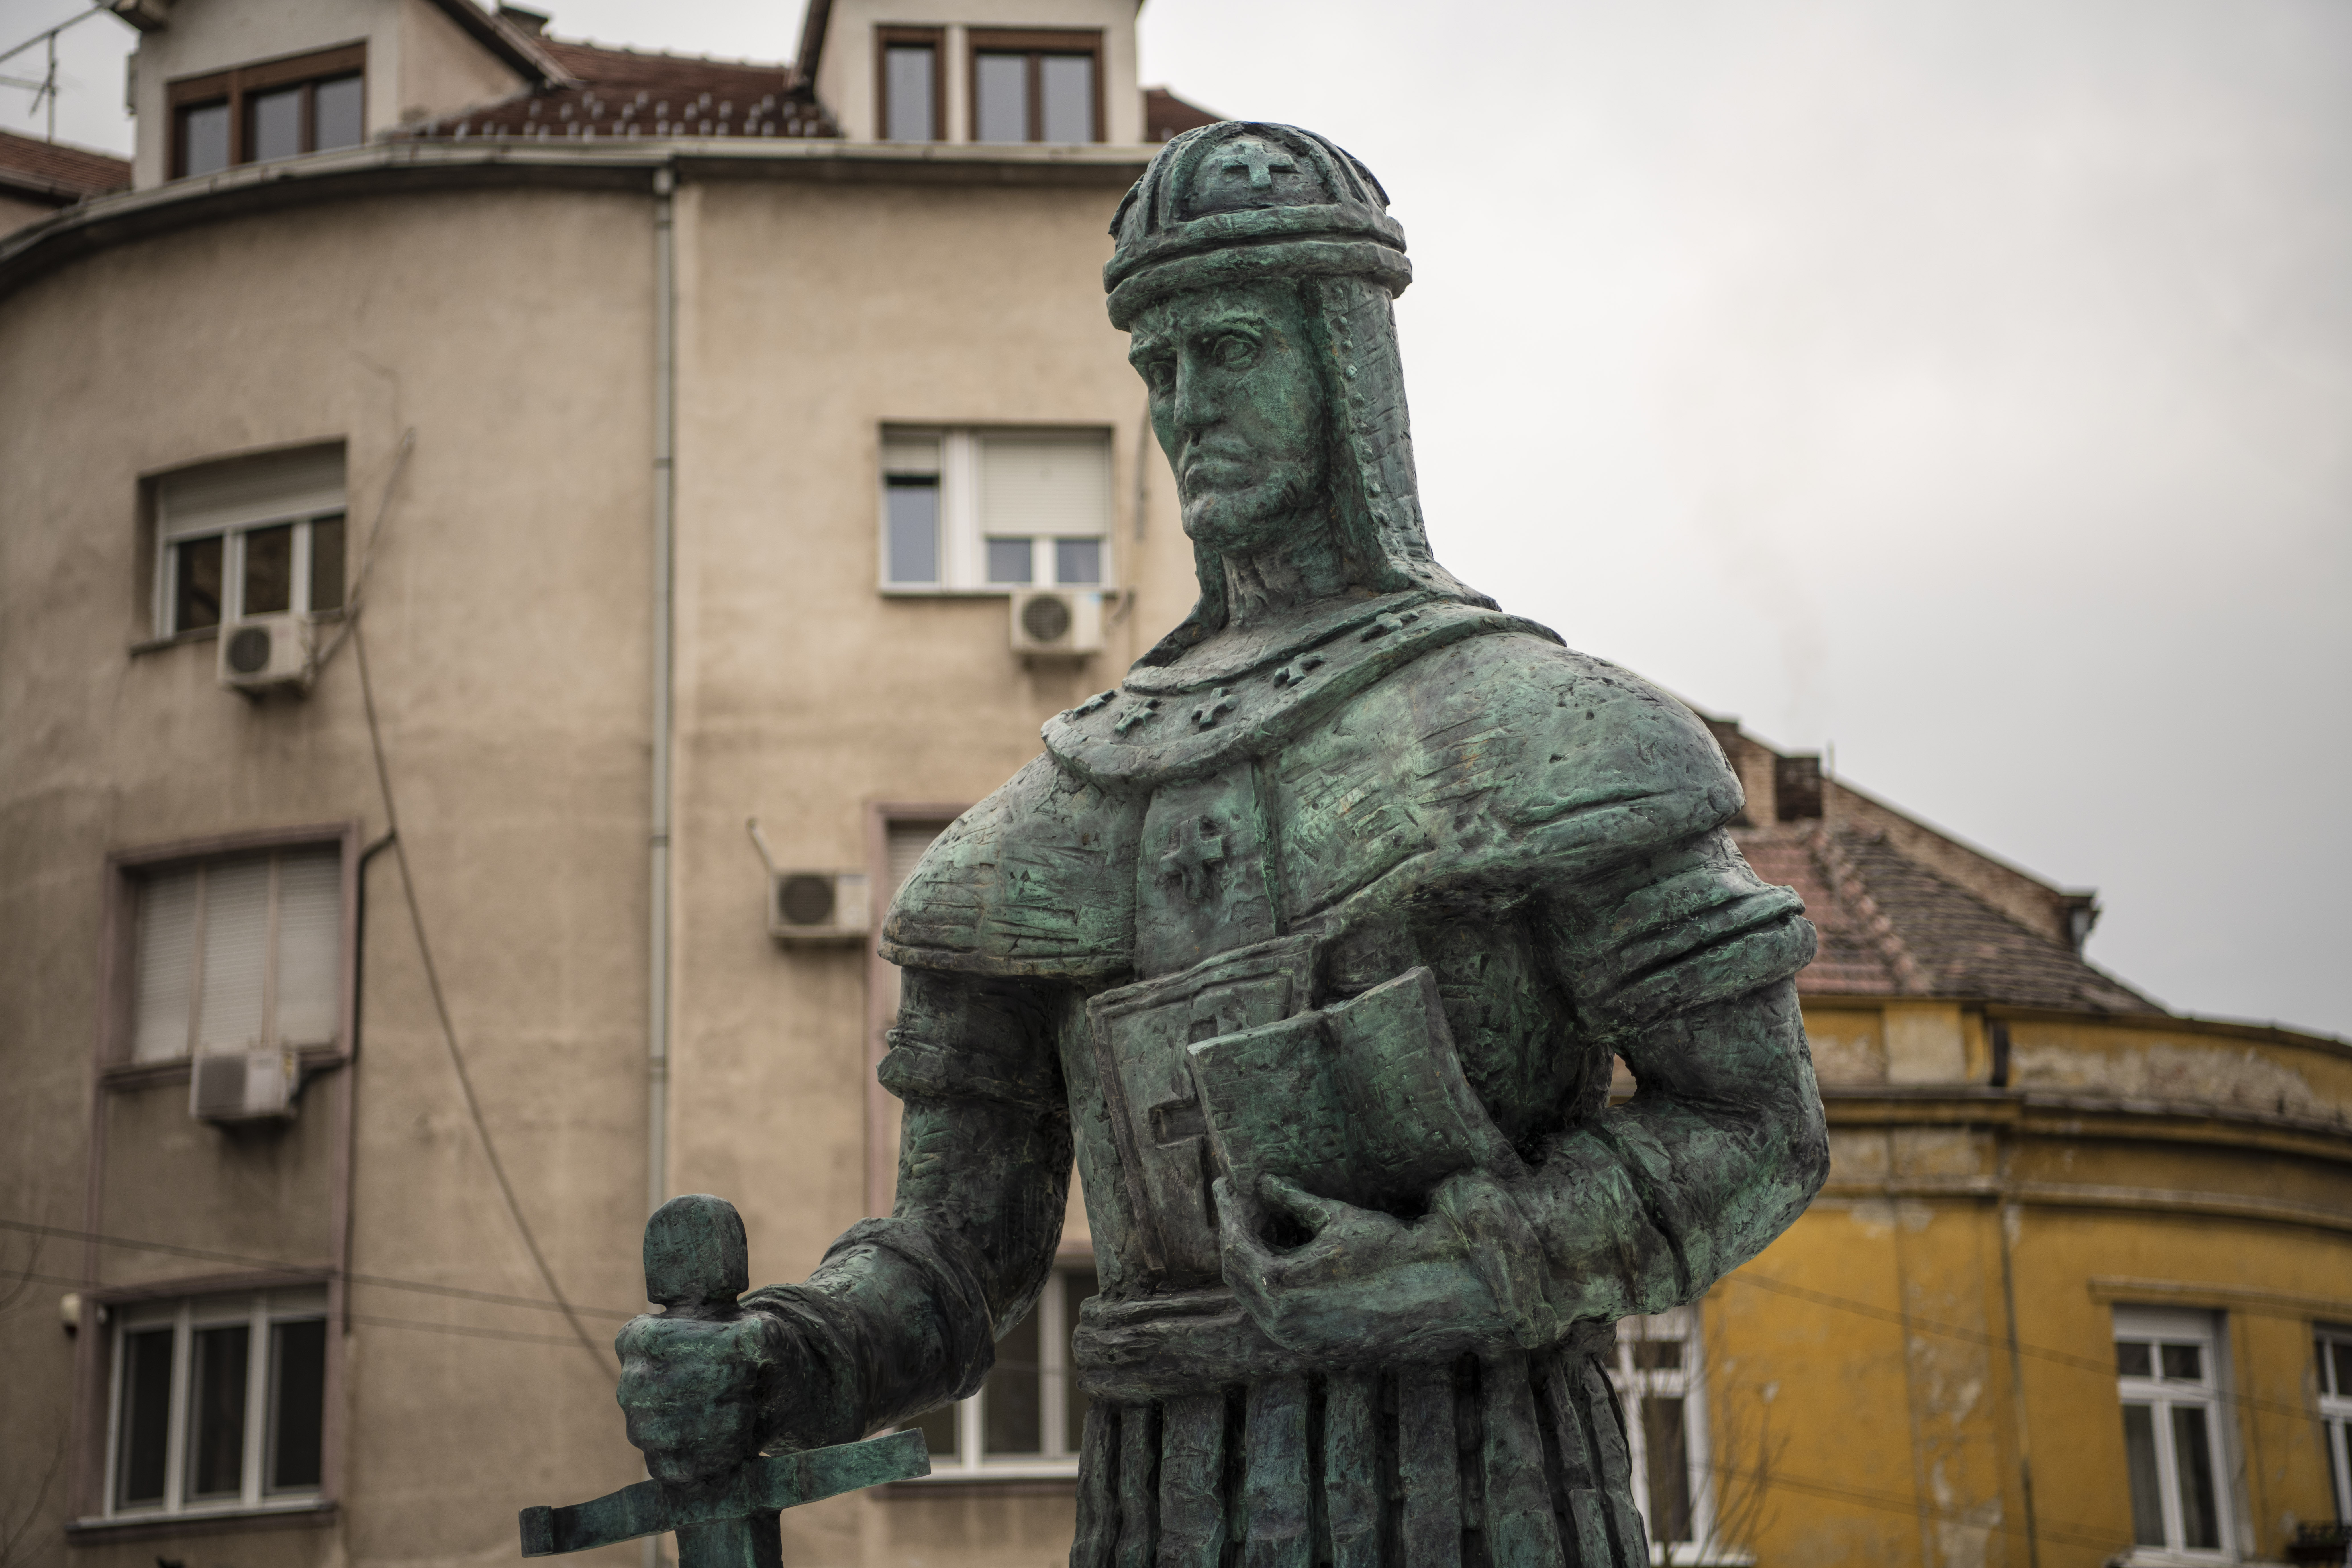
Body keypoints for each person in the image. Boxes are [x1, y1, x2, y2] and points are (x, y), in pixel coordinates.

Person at [618, 122, 1829, 1568]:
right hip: (1158, 1518)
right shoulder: (1052, 825)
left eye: (1232, 350)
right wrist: (787, 1357)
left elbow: (1757, 1125)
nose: (1189, 404)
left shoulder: (1545, 735)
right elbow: (955, 1256)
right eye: (1161, 367)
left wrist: (1479, 1259)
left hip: (1500, 1498)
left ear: (1342, 359)